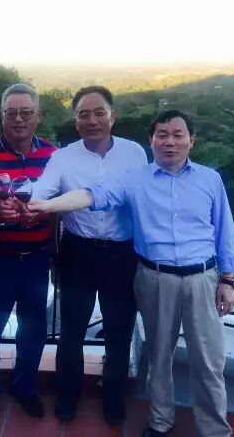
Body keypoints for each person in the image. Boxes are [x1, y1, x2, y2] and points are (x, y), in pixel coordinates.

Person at [27, 110, 234, 437]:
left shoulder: (210, 179)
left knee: (209, 362)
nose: (170, 142)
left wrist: (228, 279)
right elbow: (90, 195)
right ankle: (160, 422)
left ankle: (215, 431)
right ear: (151, 141)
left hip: (202, 279)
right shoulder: (134, 179)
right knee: (158, 357)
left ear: (191, 140)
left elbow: (225, 229)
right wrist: (45, 205)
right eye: (162, 135)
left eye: (178, 135)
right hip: (155, 278)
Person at [31, 86, 147, 425]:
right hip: (78, 251)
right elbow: (41, 192)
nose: (92, 120)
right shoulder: (63, 157)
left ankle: (113, 397)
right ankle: (68, 395)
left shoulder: (134, 153)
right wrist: (25, 201)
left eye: (99, 113)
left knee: (119, 330)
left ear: (113, 116)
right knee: (71, 330)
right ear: (75, 120)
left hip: (122, 254)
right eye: (84, 114)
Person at [0, 84, 57, 424]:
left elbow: (60, 203)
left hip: (36, 258)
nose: (19, 119)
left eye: (26, 112)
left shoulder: (53, 156)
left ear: (38, 116)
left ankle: (25, 387)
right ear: (2, 116)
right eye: (11, 113)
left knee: (32, 330)